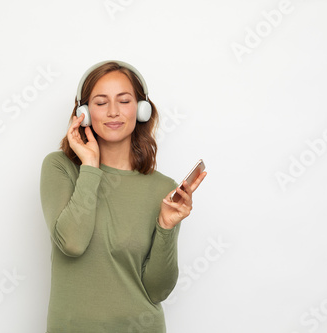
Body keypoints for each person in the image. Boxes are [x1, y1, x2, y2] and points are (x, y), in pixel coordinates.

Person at [40, 60, 207, 332]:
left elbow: (157, 290)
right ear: (84, 112)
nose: (114, 112)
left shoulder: (162, 188)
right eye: (101, 102)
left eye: (124, 100)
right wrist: (90, 168)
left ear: (141, 109)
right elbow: (72, 243)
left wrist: (166, 226)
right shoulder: (60, 168)